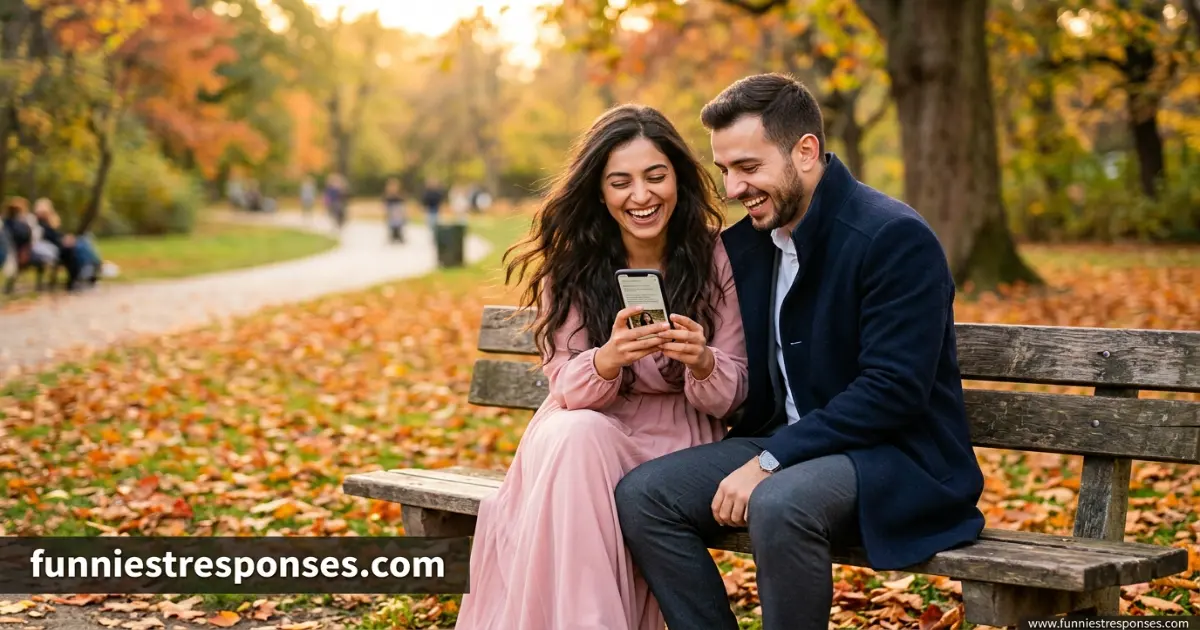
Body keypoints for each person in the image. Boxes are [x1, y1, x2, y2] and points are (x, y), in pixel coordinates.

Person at [615, 73, 986, 630]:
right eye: (725, 171)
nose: (735, 188)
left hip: (897, 456)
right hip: (792, 444)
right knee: (645, 495)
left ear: (805, 152)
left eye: (749, 167)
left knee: (778, 502)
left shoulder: (892, 237)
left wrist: (770, 460)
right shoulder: (746, 246)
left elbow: (893, 392)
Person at [454, 104, 750, 630]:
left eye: (655, 176)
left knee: (578, 439)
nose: (641, 196)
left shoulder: (715, 259)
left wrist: (702, 362)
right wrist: (607, 360)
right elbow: (566, 388)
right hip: (584, 433)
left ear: (677, 178)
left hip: (676, 444)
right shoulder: (573, 267)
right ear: (600, 192)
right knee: (578, 433)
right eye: (621, 182)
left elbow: (734, 392)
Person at [383, 178, 405, 243]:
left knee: (399, 224)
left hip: (397, 210)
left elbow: (402, 202)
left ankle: (398, 235)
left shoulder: (399, 194)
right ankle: (393, 236)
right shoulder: (388, 195)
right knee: (392, 224)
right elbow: (385, 203)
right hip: (391, 211)